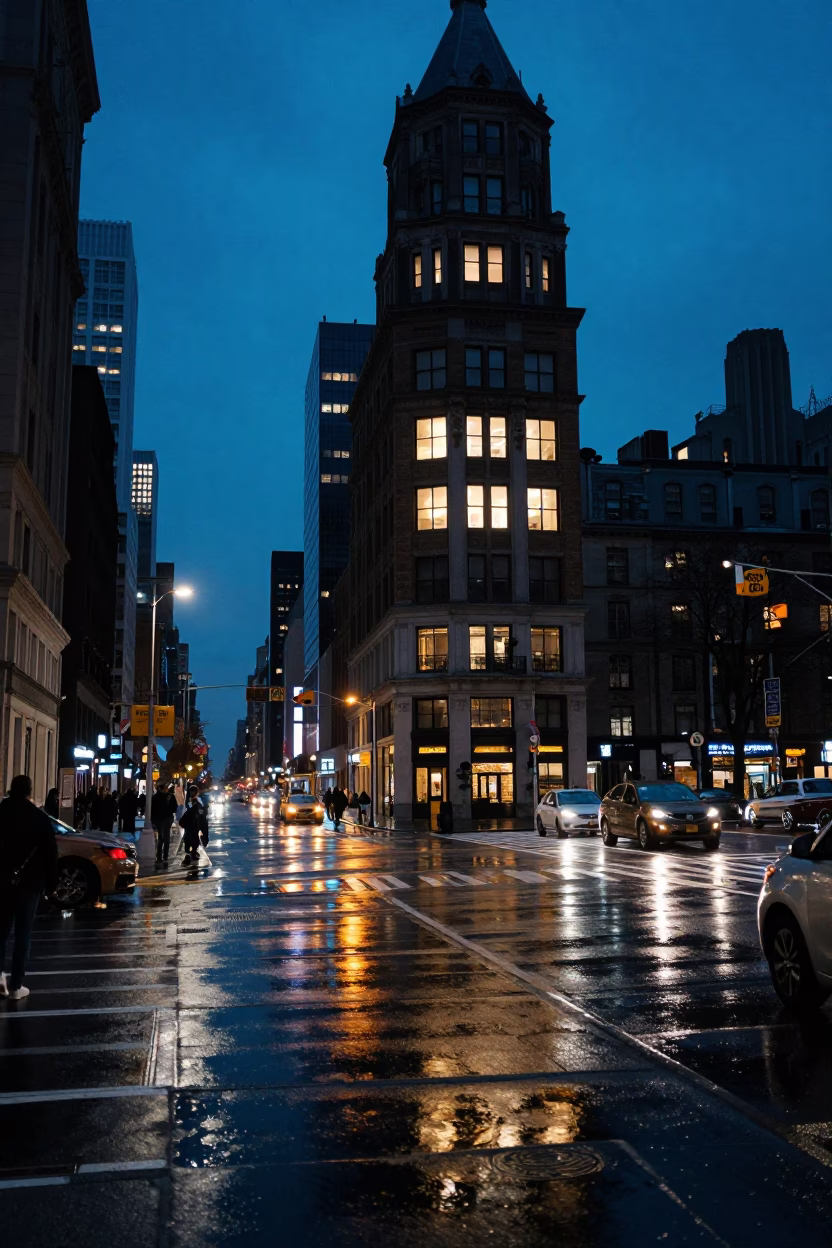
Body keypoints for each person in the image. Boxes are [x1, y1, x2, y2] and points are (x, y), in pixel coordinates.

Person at [0, 775, 59, 1000]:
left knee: (1, 931)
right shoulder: (39, 818)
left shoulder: (1, 813)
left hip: (2, 881)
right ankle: (16, 986)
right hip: (30, 883)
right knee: (23, 933)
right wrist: (52, 885)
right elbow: (50, 854)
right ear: (29, 792)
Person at [178, 785, 207, 866]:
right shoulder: (190, 802)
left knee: (192, 838)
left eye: (194, 792)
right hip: (191, 822)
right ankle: (191, 853)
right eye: (191, 792)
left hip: (193, 822)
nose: (192, 793)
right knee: (190, 838)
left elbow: (201, 812)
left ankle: (191, 853)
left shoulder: (196, 801)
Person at [151, 784, 177, 865]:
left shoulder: (155, 797)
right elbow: (174, 808)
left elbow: (152, 809)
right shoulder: (170, 796)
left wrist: (153, 820)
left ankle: (159, 856)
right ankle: (164, 856)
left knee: (161, 837)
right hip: (166, 818)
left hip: (159, 818)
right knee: (166, 837)